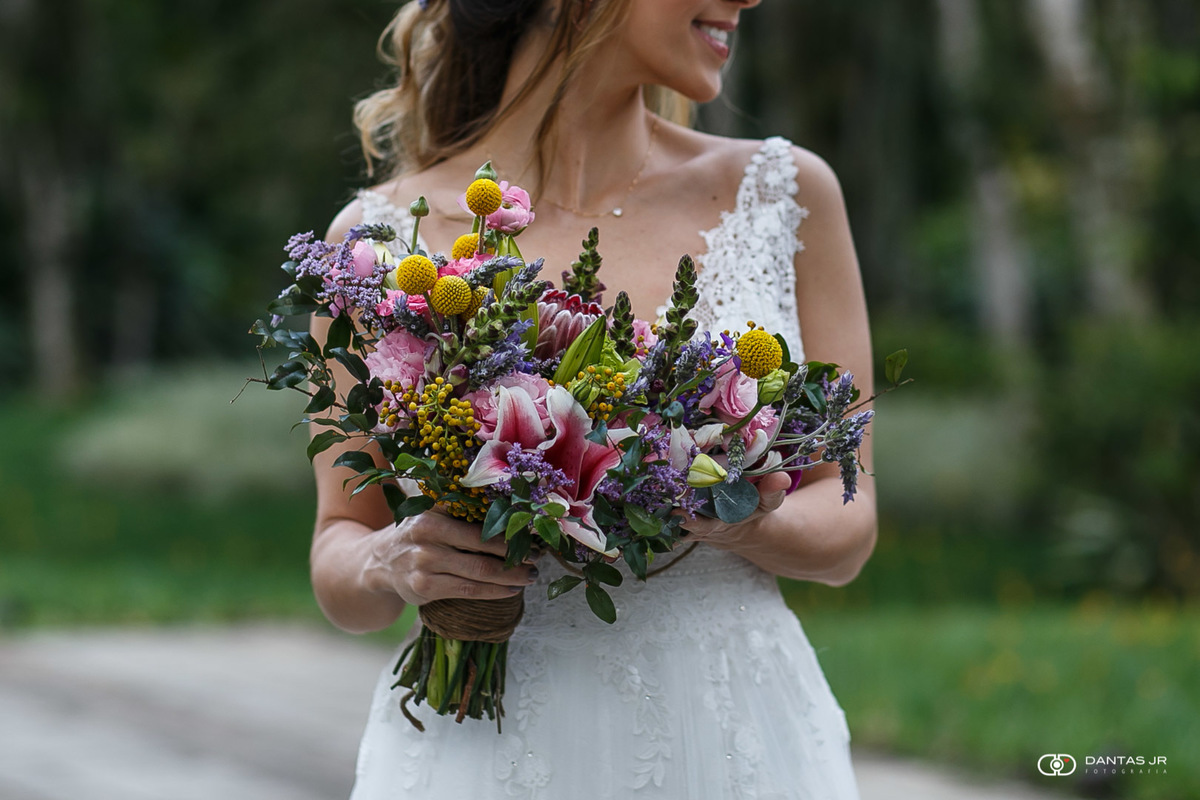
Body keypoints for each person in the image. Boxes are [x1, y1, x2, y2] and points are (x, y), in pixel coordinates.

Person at [310, 0, 877, 797]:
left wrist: (750, 520)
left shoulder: (785, 195)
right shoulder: (376, 245)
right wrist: (387, 560)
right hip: (486, 754)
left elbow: (849, 522)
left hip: (729, 736)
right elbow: (340, 542)